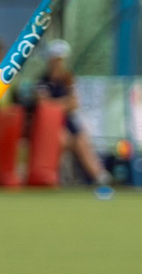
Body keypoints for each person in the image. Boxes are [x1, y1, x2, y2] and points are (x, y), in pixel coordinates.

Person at [33, 46, 114, 198]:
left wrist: (56, 104)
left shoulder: (67, 79)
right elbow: (43, 105)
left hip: (68, 121)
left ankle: (99, 177)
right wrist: (64, 104)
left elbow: (75, 103)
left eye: (61, 60)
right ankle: (55, 178)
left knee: (82, 140)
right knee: (61, 140)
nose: (58, 64)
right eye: (56, 60)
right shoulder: (43, 81)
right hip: (50, 125)